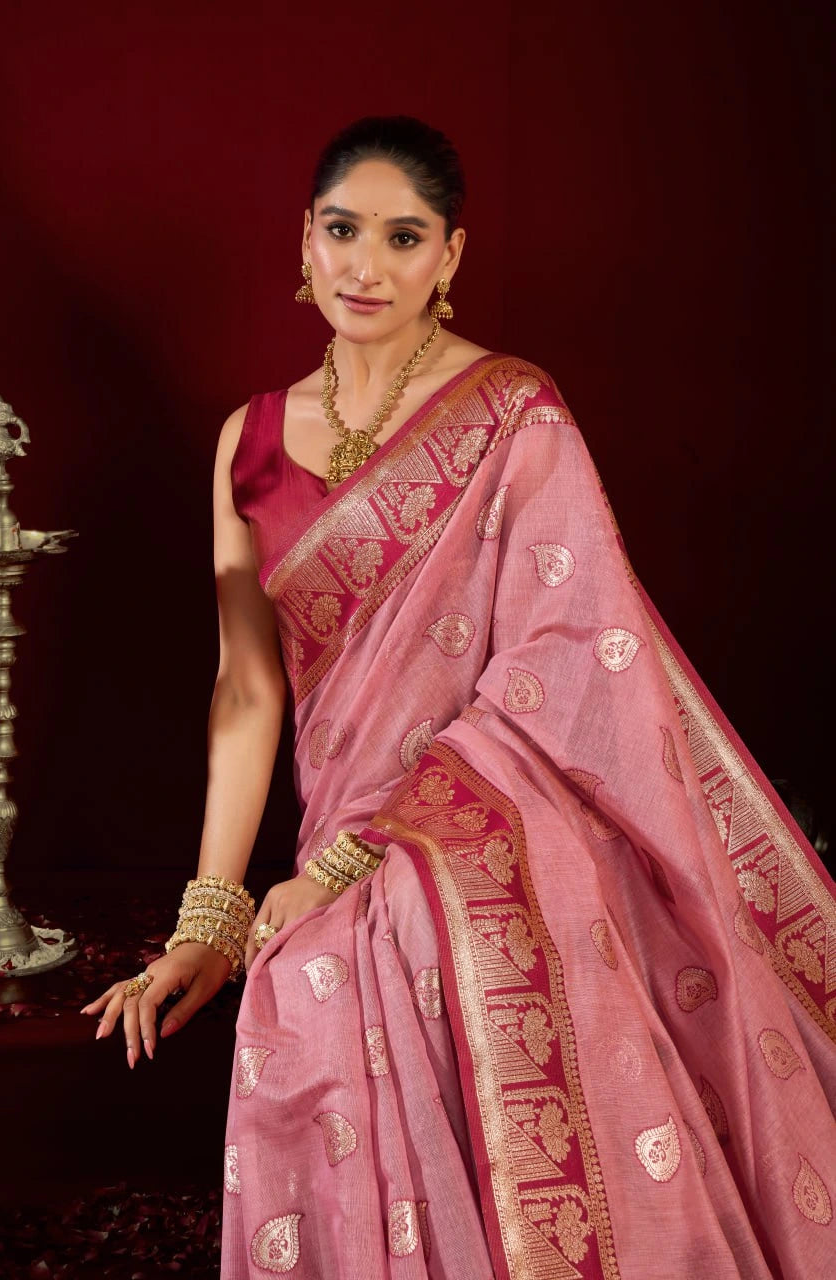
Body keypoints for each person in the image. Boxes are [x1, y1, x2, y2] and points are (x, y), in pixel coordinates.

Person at [83, 117, 835, 1278]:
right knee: (307, 970)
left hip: (496, 822)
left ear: (450, 256)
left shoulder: (513, 411)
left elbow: (568, 657)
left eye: (401, 236)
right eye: (342, 230)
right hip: (336, 828)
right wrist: (210, 916)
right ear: (305, 239)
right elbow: (246, 687)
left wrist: (360, 857)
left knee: (408, 940)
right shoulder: (254, 440)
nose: (364, 265)